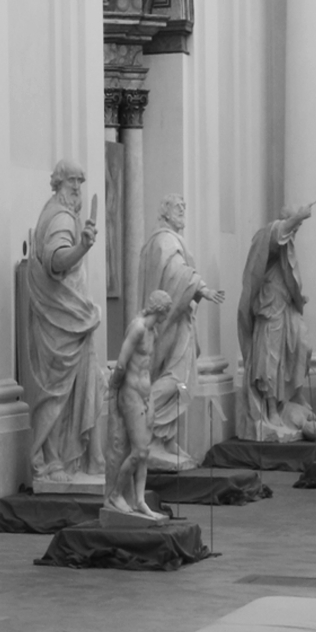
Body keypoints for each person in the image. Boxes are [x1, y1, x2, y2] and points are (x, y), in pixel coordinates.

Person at [24, 160, 102, 483]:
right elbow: (57, 261)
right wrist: (82, 247)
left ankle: (82, 460)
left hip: (72, 318)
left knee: (82, 386)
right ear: (60, 184)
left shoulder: (61, 214)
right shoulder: (59, 218)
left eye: (80, 184)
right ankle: (53, 460)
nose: (78, 190)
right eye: (73, 183)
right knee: (57, 390)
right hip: (61, 319)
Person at [136, 195, 219, 465]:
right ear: (164, 214)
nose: (183, 210)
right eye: (176, 207)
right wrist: (201, 287)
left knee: (181, 377)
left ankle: (164, 437)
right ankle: (145, 426)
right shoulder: (164, 240)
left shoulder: (168, 240)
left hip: (179, 317)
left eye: (185, 206)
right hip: (168, 320)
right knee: (175, 377)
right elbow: (176, 274)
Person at [238, 205, 316, 439]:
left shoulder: (289, 247)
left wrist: (298, 297)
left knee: (303, 346)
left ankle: (295, 393)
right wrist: (298, 216)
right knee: (269, 361)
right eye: (295, 225)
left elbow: (288, 279)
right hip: (269, 310)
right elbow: (276, 234)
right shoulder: (267, 237)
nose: (296, 230)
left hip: (287, 307)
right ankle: (271, 408)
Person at [108, 291, 174, 518]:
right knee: (139, 451)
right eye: (167, 309)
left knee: (144, 453)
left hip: (146, 395)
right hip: (131, 394)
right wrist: (114, 391)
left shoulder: (153, 331)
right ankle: (116, 494)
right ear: (160, 309)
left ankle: (139, 501)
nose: (168, 313)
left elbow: (147, 366)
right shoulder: (137, 328)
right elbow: (121, 363)